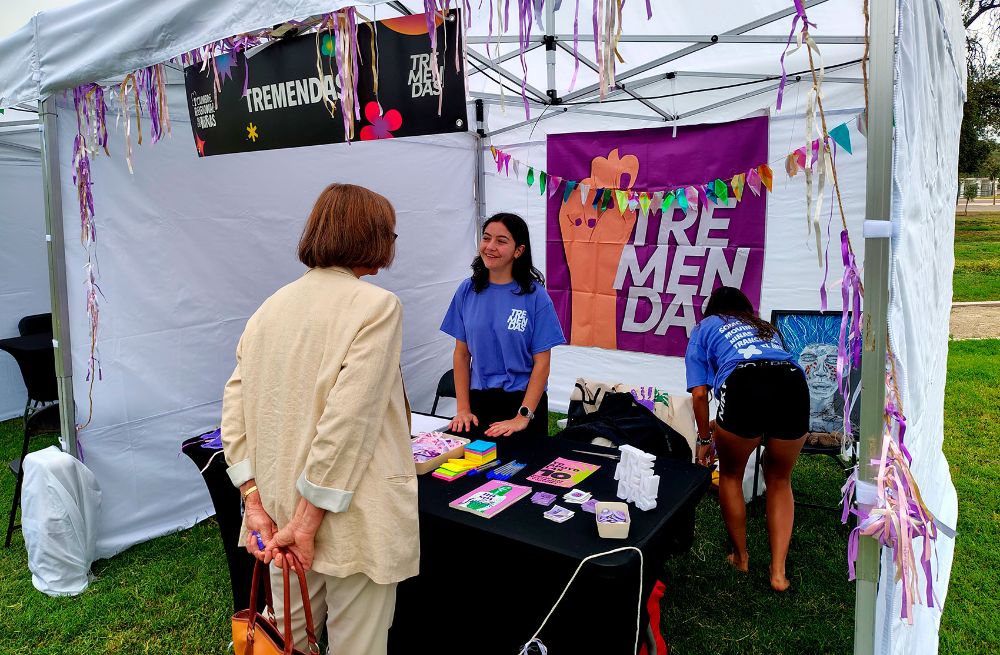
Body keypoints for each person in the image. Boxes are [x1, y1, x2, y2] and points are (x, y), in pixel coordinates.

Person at [221, 183, 418, 654]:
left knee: (286, 641)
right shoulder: (376, 306)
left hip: (279, 515)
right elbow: (348, 420)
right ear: (373, 237)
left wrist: (256, 504)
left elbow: (234, 412)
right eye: (389, 233)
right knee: (356, 646)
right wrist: (305, 524)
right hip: (352, 518)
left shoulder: (268, 309)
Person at [684, 286, 809, 592]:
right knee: (780, 479)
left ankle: (741, 558)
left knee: (730, 475)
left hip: (744, 383)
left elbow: (700, 394)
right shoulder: (764, 327)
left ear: (712, 309)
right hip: (793, 383)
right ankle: (778, 572)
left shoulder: (705, 328)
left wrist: (703, 439)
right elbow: (769, 392)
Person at [440, 212, 565, 439]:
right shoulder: (467, 291)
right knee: (473, 471)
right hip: (478, 402)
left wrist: (523, 416)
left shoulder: (536, 296)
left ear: (519, 251)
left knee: (521, 471)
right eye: (486, 238)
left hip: (523, 403)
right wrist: (463, 409)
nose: (490, 246)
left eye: (501, 241)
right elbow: (461, 355)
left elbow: (542, 363)